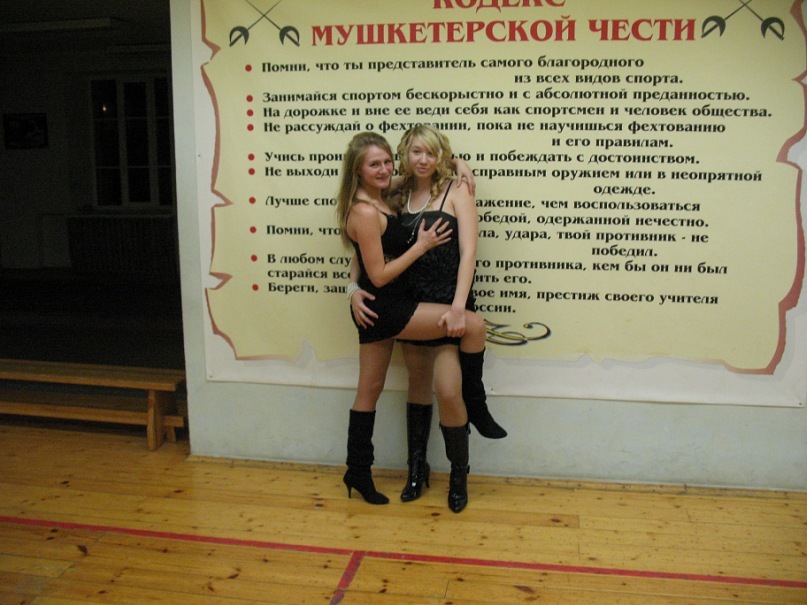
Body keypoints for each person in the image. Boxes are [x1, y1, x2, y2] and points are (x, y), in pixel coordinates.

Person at [351, 125, 506, 505]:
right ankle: (416, 471)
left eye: (431, 153)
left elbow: (469, 253)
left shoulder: (457, 190)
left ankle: (459, 475)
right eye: (416, 152)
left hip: (450, 307)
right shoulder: (397, 191)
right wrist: (352, 288)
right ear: (406, 154)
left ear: (440, 156)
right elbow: (367, 246)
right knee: (417, 387)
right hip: (411, 304)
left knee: (449, 391)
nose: (423, 160)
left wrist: (458, 307)